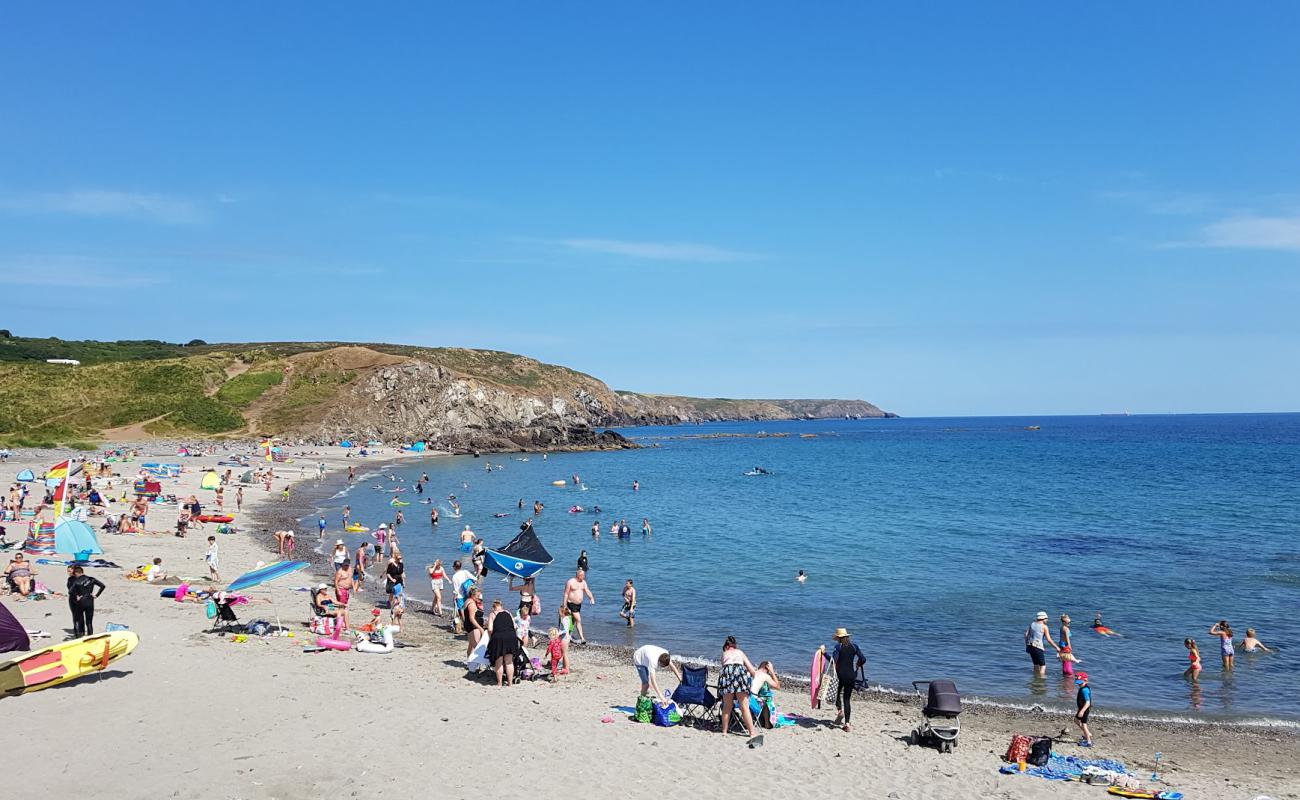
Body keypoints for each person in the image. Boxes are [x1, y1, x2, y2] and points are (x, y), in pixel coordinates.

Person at [718, 636, 758, 739]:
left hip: (727, 673)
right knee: (744, 706)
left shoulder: (724, 654)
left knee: (727, 706)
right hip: (740, 673)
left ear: (726, 646)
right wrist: (752, 680)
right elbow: (752, 670)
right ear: (734, 646)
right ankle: (752, 733)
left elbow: (724, 667)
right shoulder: (740, 652)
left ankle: (724, 731)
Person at [829, 627, 866, 732]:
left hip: (840, 675)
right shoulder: (854, 647)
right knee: (847, 699)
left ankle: (840, 711)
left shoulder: (838, 647)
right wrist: (858, 664)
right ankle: (847, 724)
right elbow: (863, 659)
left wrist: (824, 653)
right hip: (851, 676)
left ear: (839, 638)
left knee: (836, 693)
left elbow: (833, 661)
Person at [486, 599, 521, 687]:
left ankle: (500, 683)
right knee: (509, 661)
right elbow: (514, 626)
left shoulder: (492, 614)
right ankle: (510, 683)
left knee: (499, 661)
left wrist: (491, 637)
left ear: (493, 607)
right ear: (501, 606)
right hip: (511, 637)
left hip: (499, 637)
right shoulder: (508, 613)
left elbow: (490, 629)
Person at [66, 566, 105, 637]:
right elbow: (102, 586)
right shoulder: (92, 579)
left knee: (77, 619)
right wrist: (96, 595)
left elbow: (70, 591)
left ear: (77, 573)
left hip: (81, 602)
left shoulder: (77, 581)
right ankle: (90, 637)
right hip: (90, 601)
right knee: (89, 622)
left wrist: (76, 596)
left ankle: (78, 636)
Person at [561, 568, 595, 644]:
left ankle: (568, 635)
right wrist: (564, 605)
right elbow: (566, 594)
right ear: (578, 575)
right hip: (571, 603)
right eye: (582, 575)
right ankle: (582, 638)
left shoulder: (583, 582)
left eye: (584, 575)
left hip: (578, 605)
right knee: (578, 619)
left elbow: (587, 590)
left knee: (572, 621)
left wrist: (591, 598)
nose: (584, 577)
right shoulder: (570, 582)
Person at [1025, 611, 1060, 677]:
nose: (1047, 620)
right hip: (1038, 647)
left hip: (1030, 646)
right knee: (1043, 666)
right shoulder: (1044, 627)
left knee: (1035, 665)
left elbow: (1026, 634)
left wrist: (1026, 646)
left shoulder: (1032, 624)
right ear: (1044, 618)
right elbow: (1049, 639)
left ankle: (1035, 679)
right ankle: (1041, 681)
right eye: (1047, 619)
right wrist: (1057, 647)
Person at [750, 661, 781, 728]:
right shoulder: (765, 676)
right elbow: (778, 687)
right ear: (767, 667)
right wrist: (772, 672)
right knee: (765, 703)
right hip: (751, 700)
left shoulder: (752, 672)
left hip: (742, 698)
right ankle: (767, 723)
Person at [462, 587, 485, 657]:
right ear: (472, 595)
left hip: (469, 625)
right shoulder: (471, 604)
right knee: (477, 646)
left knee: (471, 645)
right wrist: (480, 628)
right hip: (473, 626)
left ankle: (469, 663)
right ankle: (479, 662)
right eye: (477, 596)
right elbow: (472, 618)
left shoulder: (467, 601)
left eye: (479, 596)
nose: (479, 597)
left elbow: (462, 611)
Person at [1074, 672, 1093, 747]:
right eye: (1078, 683)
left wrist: (1082, 711)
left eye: (1080, 683)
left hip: (1084, 709)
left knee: (1084, 724)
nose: (1079, 684)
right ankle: (1088, 734)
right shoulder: (1082, 688)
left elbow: (1088, 702)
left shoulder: (1085, 690)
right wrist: (1079, 709)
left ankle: (1088, 742)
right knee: (1076, 720)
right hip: (1081, 708)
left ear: (1086, 681)